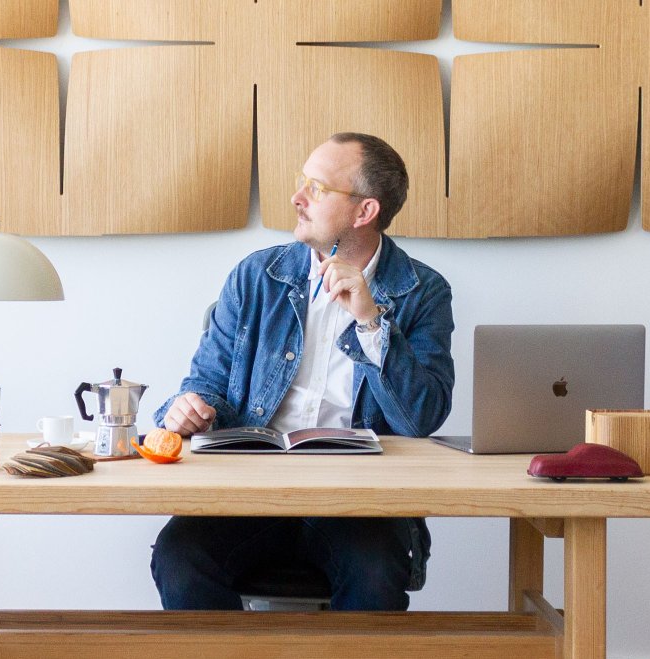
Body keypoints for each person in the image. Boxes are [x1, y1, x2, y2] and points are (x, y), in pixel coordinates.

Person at [150, 132, 455, 611]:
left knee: (375, 574)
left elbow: (421, 419)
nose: (296, 198)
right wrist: (188, 411)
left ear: (364, 212)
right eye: (301, 182)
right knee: (179, 557)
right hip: (250, 492)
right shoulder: (256, 277)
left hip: (361, 503)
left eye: (316, 187)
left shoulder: (423, 291)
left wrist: (371, 322)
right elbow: (203, 385)